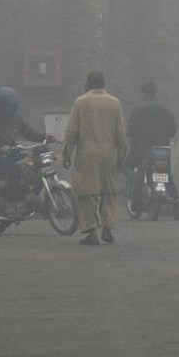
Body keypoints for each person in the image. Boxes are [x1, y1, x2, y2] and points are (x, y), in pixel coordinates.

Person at [62, 71, 128, 246]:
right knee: (109, 192)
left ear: (87, 84)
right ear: (104, 84)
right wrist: (122, 154)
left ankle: (91, 231)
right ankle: (107, 227)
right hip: (109, 153)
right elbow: (120, 133)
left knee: (87, 192)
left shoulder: (81, 102)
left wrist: (67, 153)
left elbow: (71, 131)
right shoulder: (115, 103)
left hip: (87, 153)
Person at [0, 86, 51, 201]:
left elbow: (27, 132)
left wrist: (44, 137)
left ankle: (30, 193)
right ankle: (15, 200)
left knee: (35, 163)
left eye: (11, 106)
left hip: (12, 152)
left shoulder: (15, 118)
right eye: (6, 106)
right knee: (14, 169)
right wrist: (0, 148)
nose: (9, 109)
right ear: (0, 106)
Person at [127, 80, 179, 200]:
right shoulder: (166, 110)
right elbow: (173, 129)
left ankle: (137, 192)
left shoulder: (137, 110)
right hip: (161, 150)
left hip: (141, 149)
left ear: (144, 94)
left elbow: (130, 129)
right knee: (165, 173)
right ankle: (176, 200)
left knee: (128, 166)